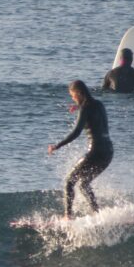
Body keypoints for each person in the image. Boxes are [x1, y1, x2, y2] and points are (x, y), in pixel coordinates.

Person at [48, 80, 113, 219]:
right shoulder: (99, 105)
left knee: (69, 181)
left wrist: (57, 146)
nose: (73, 98)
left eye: (72, 95)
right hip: (108, 152)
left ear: (78, 93)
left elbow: (76, 132)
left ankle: (68, 216)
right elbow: (92, 113)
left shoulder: (85, 109)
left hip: (95, 152)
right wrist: (78, 108)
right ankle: (97, 214)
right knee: (84, 184)